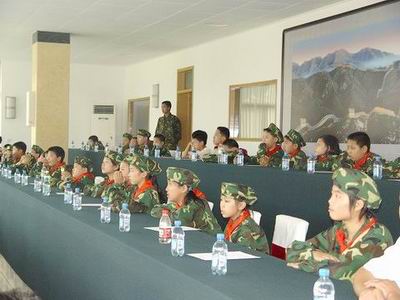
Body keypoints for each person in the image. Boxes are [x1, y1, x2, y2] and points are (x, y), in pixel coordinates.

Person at [286, 168, 393, 281]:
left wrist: (306, 261)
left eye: (338, 196)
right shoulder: (339, 230)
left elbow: (339, 272)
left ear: (358, 204)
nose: (330, 201)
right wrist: (315, 255)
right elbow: (292, 249)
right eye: (332, 194)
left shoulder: (378, 237)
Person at [352, 195, 400, 299]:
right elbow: (364, 272)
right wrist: (368, 291)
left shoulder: (377, 234)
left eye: (338, 195)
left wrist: (394, 295)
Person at [151, 167, 221, 235]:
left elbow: (180, 221)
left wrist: (168, 212)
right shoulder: (177, 203)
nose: (166, 188)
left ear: (183, 188)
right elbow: (154, 211)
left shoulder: (196, 205)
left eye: (170, 184)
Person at [220, 182, 269, 253]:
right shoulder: (234, 221)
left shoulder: (246, 230)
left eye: (227, 201)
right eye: (221, 200)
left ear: (241, 205)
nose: (222, 205)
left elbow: (242, 258)